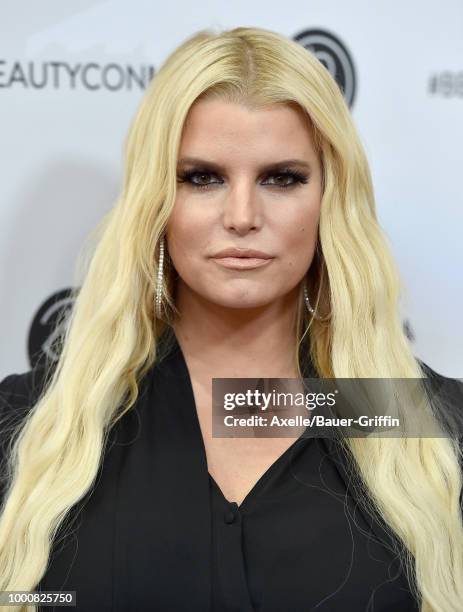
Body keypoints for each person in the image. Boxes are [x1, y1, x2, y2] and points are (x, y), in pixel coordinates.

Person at [1, 26, 462, 612]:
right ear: (155, 201)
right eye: (202, 177)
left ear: (330, 200)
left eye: (282, 178)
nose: (242, 216)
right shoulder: (33, 432)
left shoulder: (430, 437)